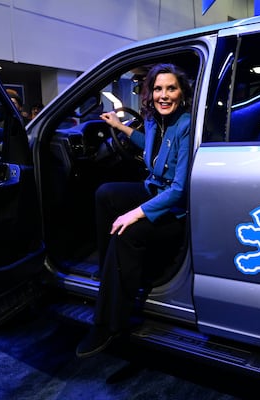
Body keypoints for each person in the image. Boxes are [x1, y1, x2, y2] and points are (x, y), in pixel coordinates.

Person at [75, 63, 192, 358]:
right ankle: (107, 272)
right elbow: (150, 148)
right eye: (157, 89)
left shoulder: (186, 124)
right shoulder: (154, 121)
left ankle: (109, 324)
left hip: (174, 207)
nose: (163, 95)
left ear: (182, 92)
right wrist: (119, 126)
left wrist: (136, 213)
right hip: (153, 189)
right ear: (149, 93)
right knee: (106, 194)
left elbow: (179, 190)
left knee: (126, 232)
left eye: (171, 88)